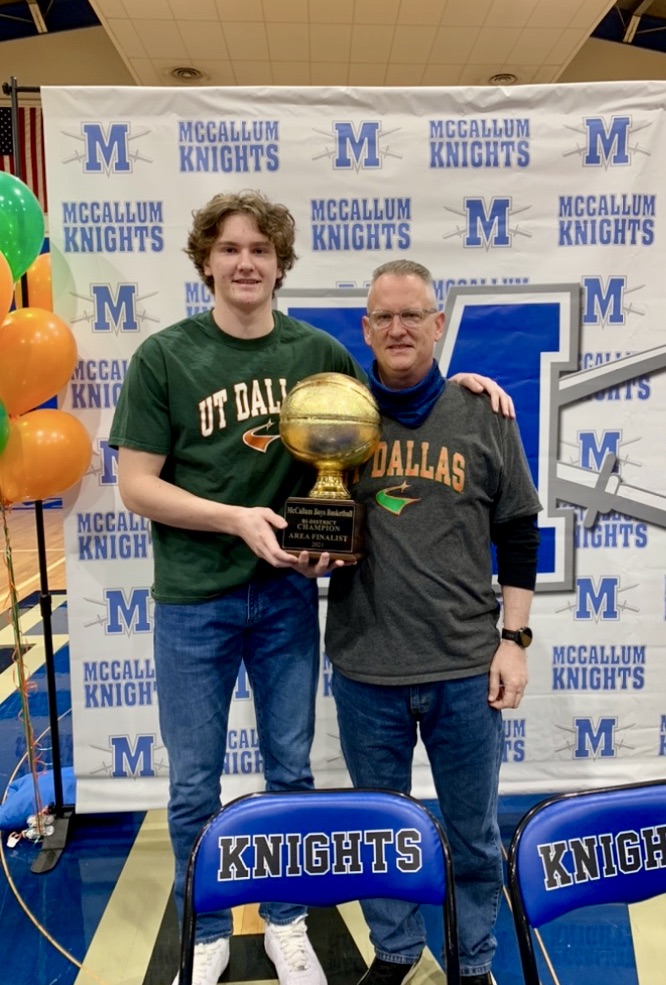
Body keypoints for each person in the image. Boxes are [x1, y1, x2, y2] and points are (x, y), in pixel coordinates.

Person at [109, 191, 514, 985]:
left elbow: (390, 405)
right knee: (192, 783)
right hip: (193, 599)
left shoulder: (318, 354)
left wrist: (462, 386)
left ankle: (287, 919)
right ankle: (207, 926)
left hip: (286, 598)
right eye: (230, 249)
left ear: (280, 264)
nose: (245, 262)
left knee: (290, 774)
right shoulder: (164, 355)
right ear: (206, 262)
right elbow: (135, 485)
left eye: (260, 249)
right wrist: (235, 519)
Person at [322, 260, 542, 985]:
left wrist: (514, 641)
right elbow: (317, 522)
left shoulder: (484, 413)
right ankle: (396, 951)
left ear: (438, 324)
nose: (398, 328)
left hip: (464, 666)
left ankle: (472, 960)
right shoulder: (336, 418)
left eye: (412, 314)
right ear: (365, 329)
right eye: (384, 317)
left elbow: (518, 531)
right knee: (381, 832)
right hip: (367, 665)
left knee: (473, 834)